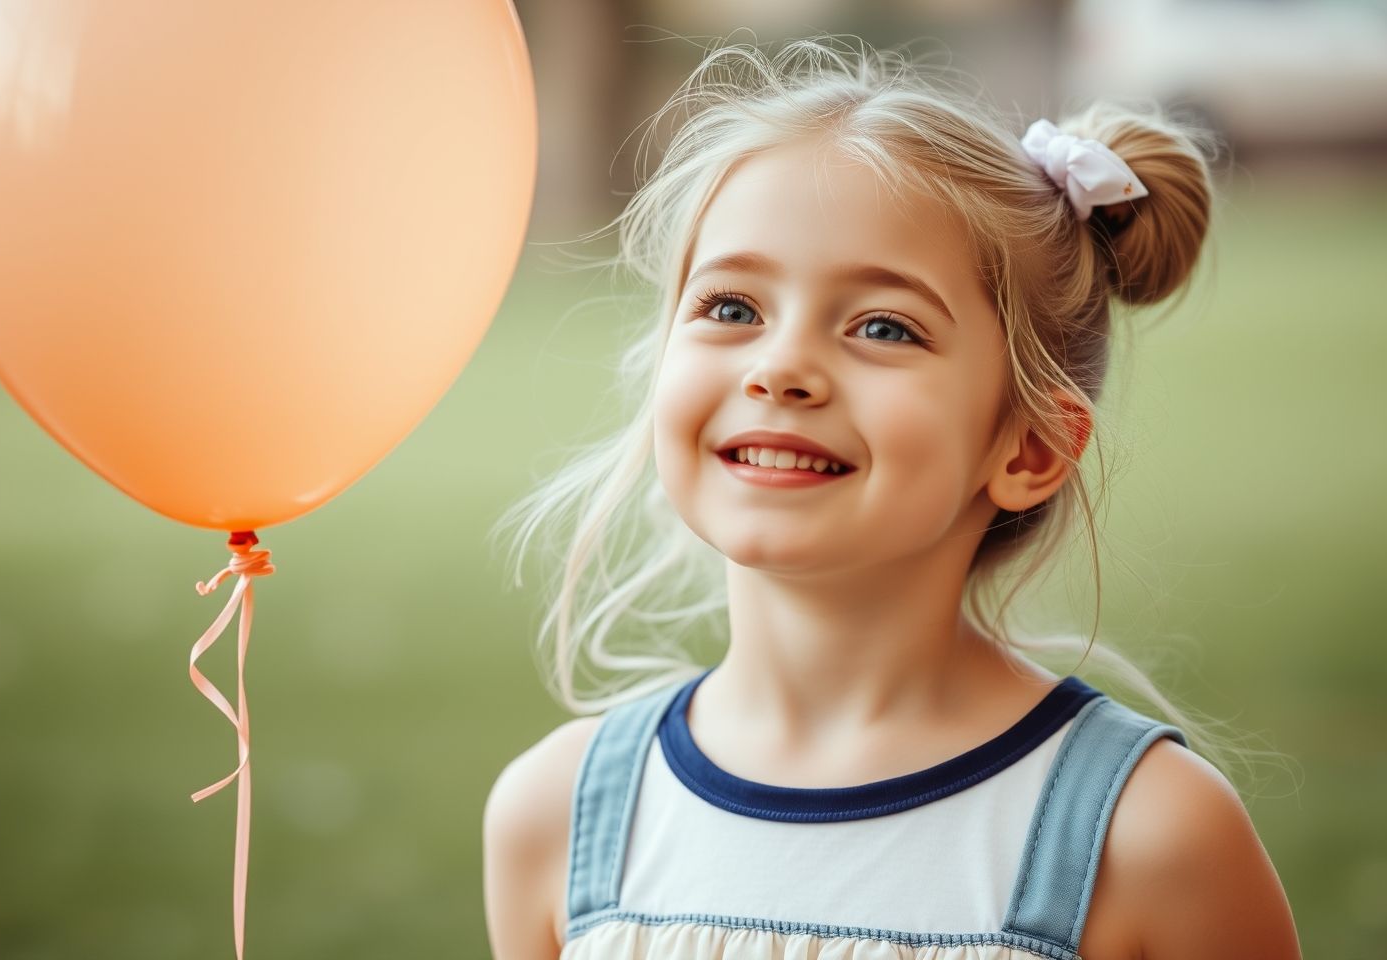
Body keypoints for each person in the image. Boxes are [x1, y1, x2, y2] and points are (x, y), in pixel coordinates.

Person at [483, 36, 1301, 960]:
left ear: (1029, 447)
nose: (781, 366)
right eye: (732, 307)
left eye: (883, 326)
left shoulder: (1145, 836)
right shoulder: (559, 819)